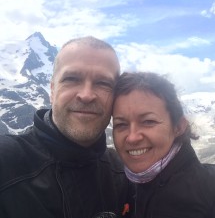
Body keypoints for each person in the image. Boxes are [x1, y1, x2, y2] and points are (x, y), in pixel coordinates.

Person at [112, 72, 215, 218]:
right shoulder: (125, 190)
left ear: (178, 127)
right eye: (121, 124)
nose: (132, 137)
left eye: (148, 121)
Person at [0, 36, 132, 218]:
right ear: (52, 91)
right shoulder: (6, 165)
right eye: (72, 79)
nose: (86, 95)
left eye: (103, 83)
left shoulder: (125, 174)